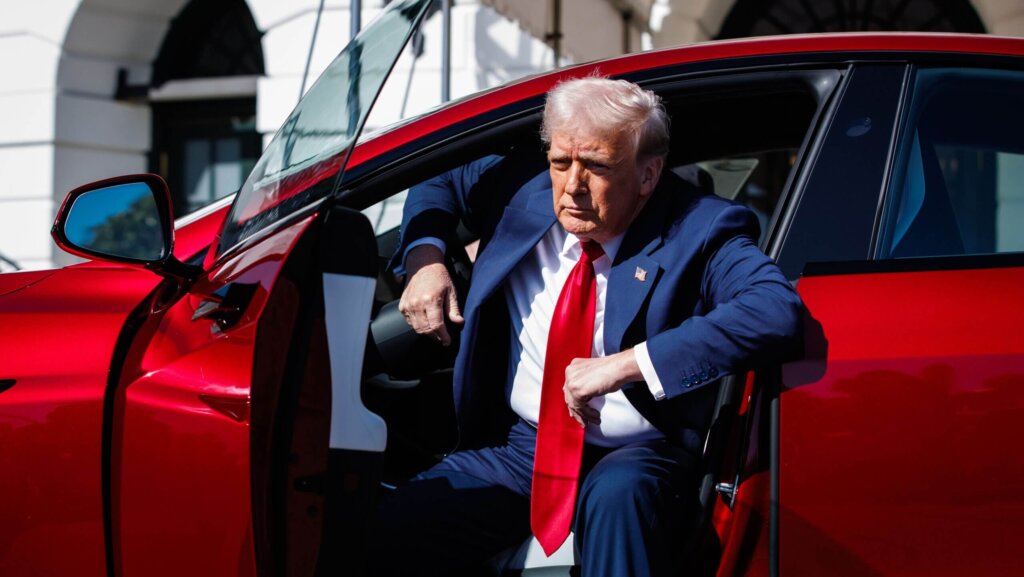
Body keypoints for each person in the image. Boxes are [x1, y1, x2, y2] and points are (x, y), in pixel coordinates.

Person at [371, 77, 801, 576]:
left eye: (596, 166)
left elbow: (773, 310)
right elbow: (438, 176)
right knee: (388, 533)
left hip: (638, 451)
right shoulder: (523, 188)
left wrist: (624, 366)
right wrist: (426, 258)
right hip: (525, 448)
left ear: (647, 175)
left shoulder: (700, 226)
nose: (572, 185)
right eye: (560, 162)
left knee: (619, 499)